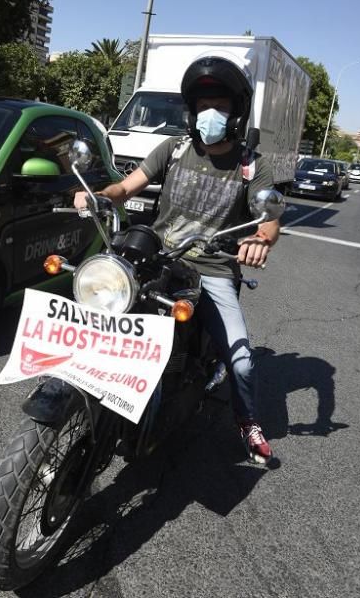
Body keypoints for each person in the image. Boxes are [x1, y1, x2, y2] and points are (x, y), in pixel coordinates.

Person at [73, 55, 279, 464]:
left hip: (214, 268)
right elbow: (126, 187)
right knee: (100, 304)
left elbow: (269, 220)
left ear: (236, 115)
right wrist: (99, 196)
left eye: (219, 107)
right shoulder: (174, 147)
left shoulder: (251, 165)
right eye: (203, 107)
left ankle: (247, 420)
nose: (210, 115)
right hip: (161, 255)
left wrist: (259, 240)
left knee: (240, 362)